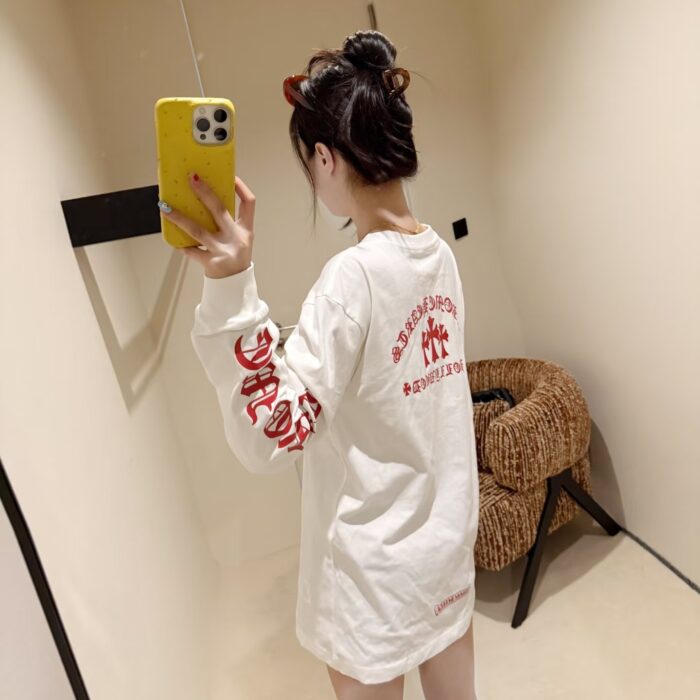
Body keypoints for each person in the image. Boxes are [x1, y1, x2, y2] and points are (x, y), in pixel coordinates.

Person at [158, 28, 480, 700]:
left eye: (311, 164)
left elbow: (270, 436)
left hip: (374, 575)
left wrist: (231, 287)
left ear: (327, 159)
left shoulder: (352, 278)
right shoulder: (438, 257)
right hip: (445, 546)